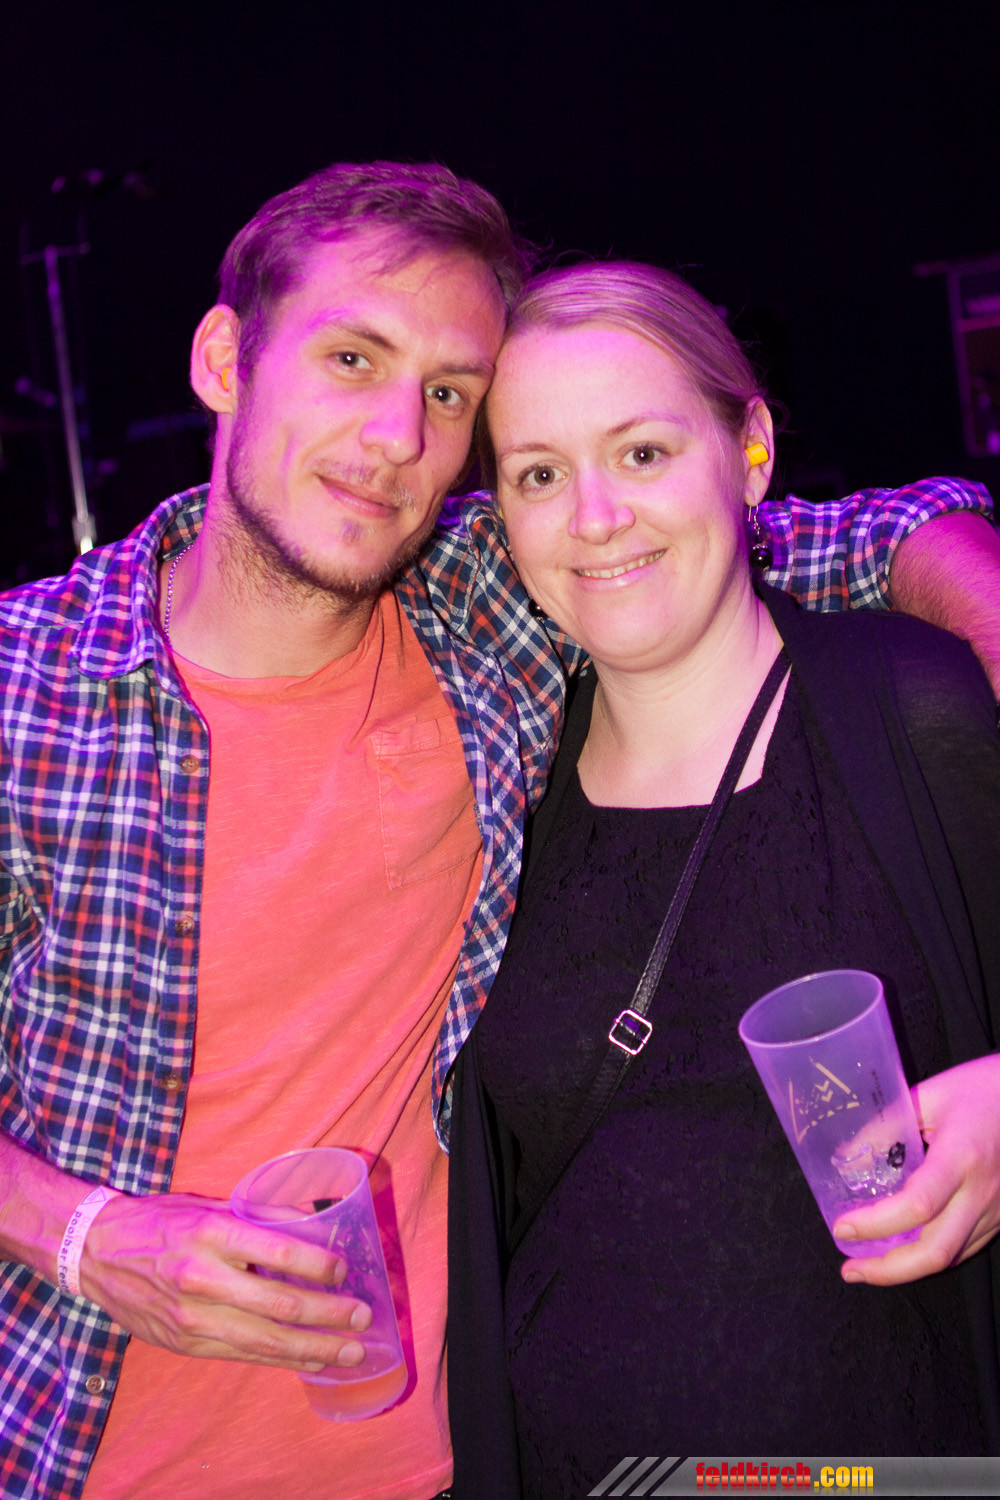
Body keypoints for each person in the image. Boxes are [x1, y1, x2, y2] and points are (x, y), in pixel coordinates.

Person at [0, 163, 996, 1500]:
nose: (393, 436)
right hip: (88, 1464)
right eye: (352, 358)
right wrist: (84, 1236)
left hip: (455, 1465)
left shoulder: (479, 615)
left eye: (447, 394)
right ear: (226, 359)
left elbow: (765, 534)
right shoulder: (26, 690)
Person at [446, 260, 1000, 1498]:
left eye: (642, 452)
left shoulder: (914, 714)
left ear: (748, 452)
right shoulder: (502, 797)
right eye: (539, 474)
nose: (595, 516)